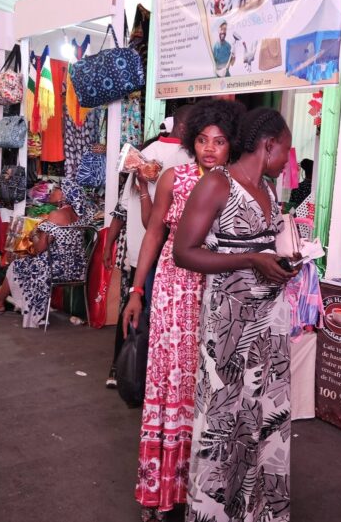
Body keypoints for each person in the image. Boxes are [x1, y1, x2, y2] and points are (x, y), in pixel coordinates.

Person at [122, 99, 244, 522]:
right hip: (175, 292)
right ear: (192, 142)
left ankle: (206, 492)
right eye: (203, 140)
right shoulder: (175, 177)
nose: (210, 148)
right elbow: (154, 234)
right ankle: (160, 492)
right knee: (170, 385)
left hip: (219, 292)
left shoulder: (237, 184)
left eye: (219, 141)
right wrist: (136, 290)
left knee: (211, 388)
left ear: (232, 145)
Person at [173, 108, 296, 522]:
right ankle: (213, 512)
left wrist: (283, 263)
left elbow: (264, 246)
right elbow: (183, 252)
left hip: (269, 321)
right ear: (269, 145)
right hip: (229, 320)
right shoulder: (217, 183)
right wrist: (250, 260)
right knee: (222, 417)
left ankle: (255, 511)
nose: (288, 159)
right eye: (286, 150)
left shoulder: (268, 189)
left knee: (262, 415)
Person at [103, 107, 195, 388]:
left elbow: (121, 208)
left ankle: (120, 370)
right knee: (158, 317)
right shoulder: (189, 160)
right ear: (187, 128)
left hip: (137, 250)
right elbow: (154, 220)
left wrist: (109, 243)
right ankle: (150, 376)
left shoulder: (141, 154)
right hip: (167, 253)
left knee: (132, 308)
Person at [0, 178, 88, 329]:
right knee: (23, 262)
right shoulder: (79, 215)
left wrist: (33, 235)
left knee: (16, 264)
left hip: (55, 270)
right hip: (76, 269)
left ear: (64, 195)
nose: (51, 192)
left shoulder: (56, 215)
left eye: (56, 189)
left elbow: (39, 248)